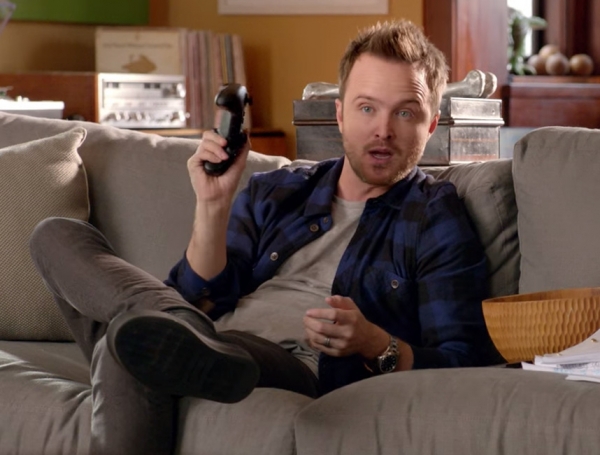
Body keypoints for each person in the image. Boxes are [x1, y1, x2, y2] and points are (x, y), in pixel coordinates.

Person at [30, 19, 500, 455]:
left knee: (128, 342)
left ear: (431, 124)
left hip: (284, 361)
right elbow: (200, 296)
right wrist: (212, 205)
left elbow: (465, 360)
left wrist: (376, 344)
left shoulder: (435, 218)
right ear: (339, 115)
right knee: (56, 236)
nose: (383, 129)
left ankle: (166, 338)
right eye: (366, 108)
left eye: (405, 113)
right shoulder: (279, 190)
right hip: (208, 335)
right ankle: (170, 339)